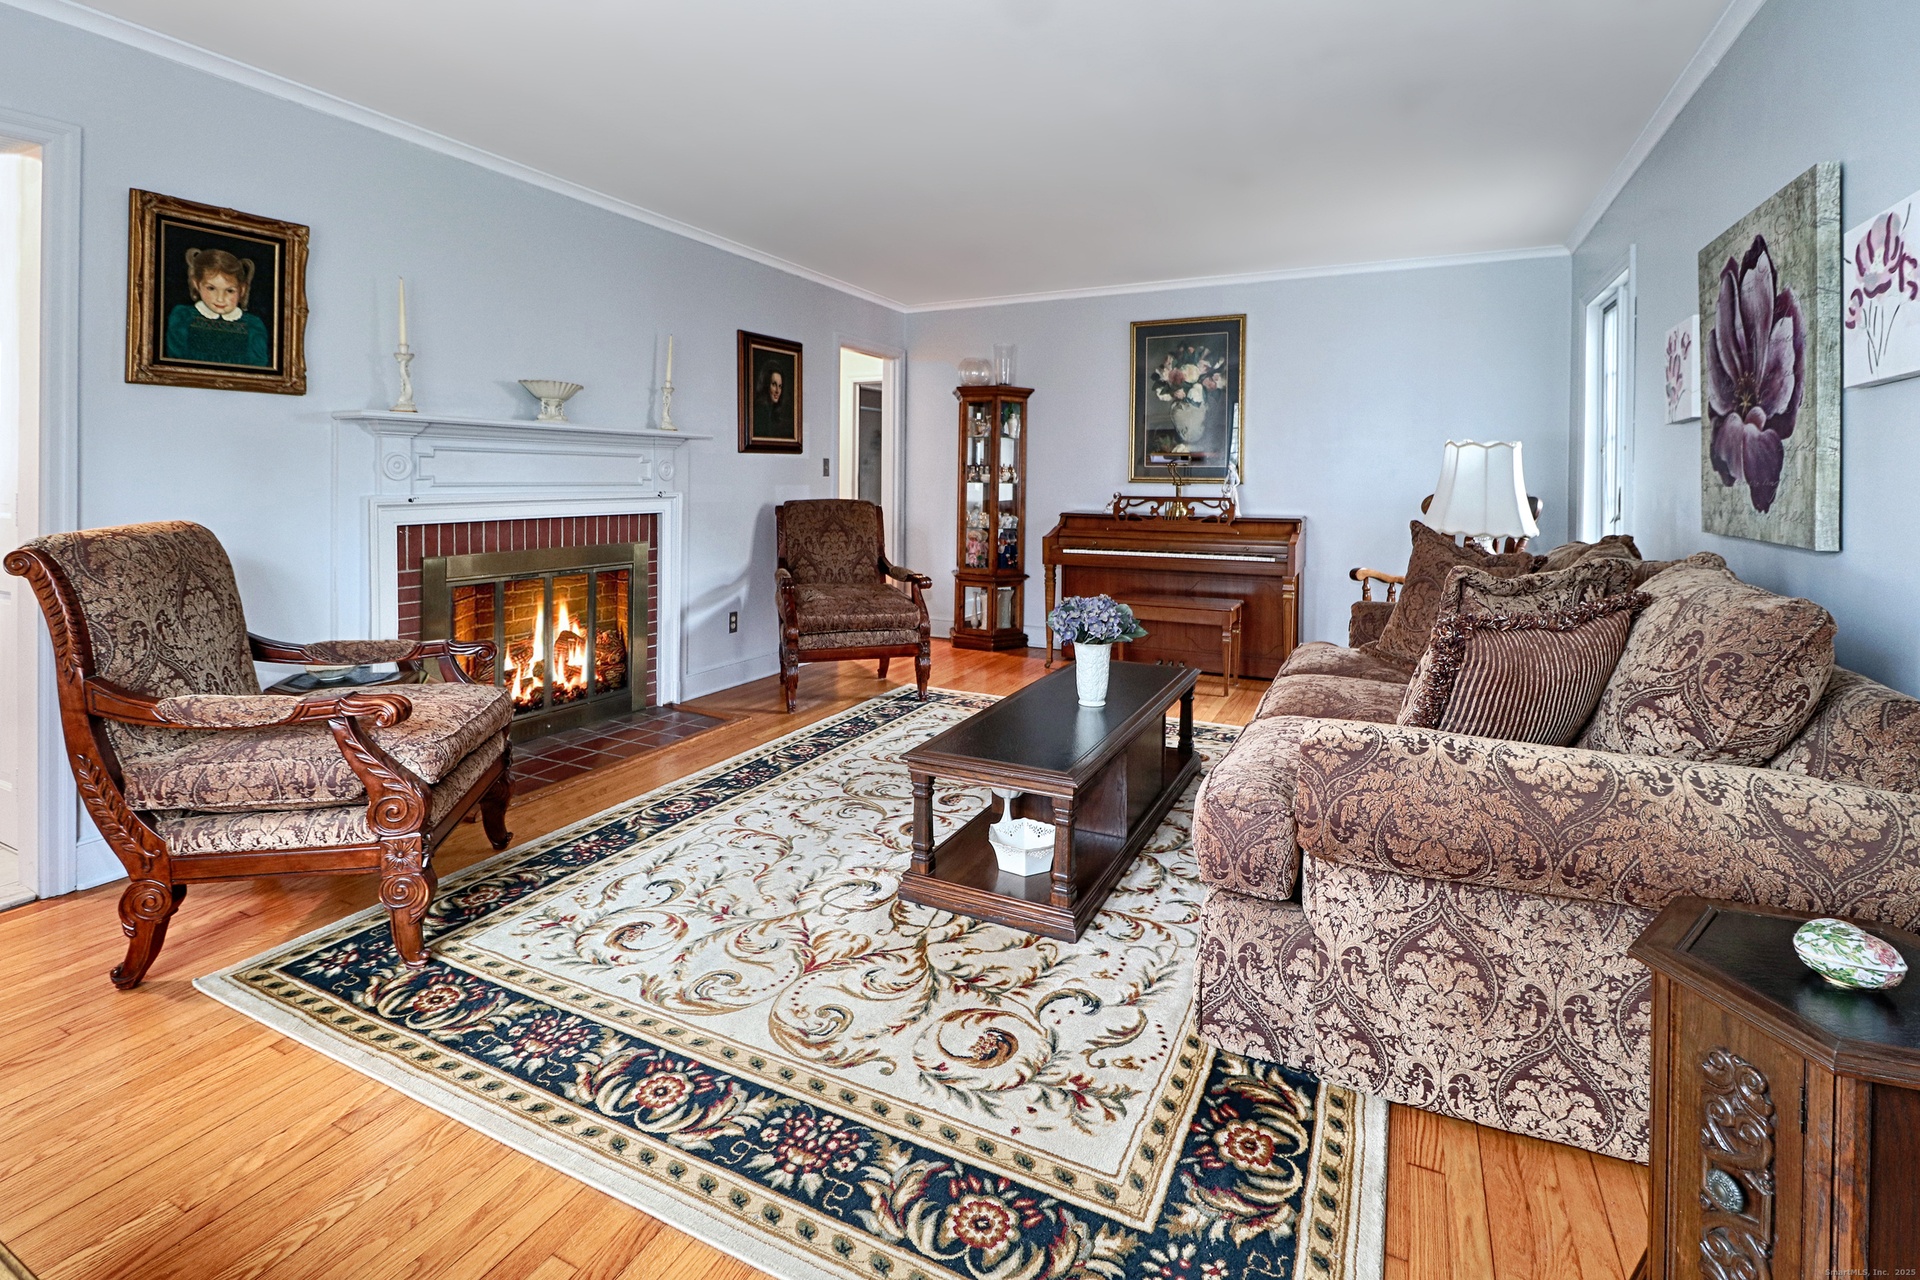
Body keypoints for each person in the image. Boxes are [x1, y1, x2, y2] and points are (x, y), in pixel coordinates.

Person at [165, 247, 271, 367]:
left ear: (242, 289)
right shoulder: (183, 316)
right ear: (196, 284)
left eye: (230, 291)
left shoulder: (253, 325)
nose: (220, 299)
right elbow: (175, 360)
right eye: (211, 288)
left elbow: (258, 367)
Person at [753, 361, 794, 440]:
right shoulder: (761, 410)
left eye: (780, 386)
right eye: (774, 384)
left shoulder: (772, 411)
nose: (777, 391)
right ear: (766, 384)